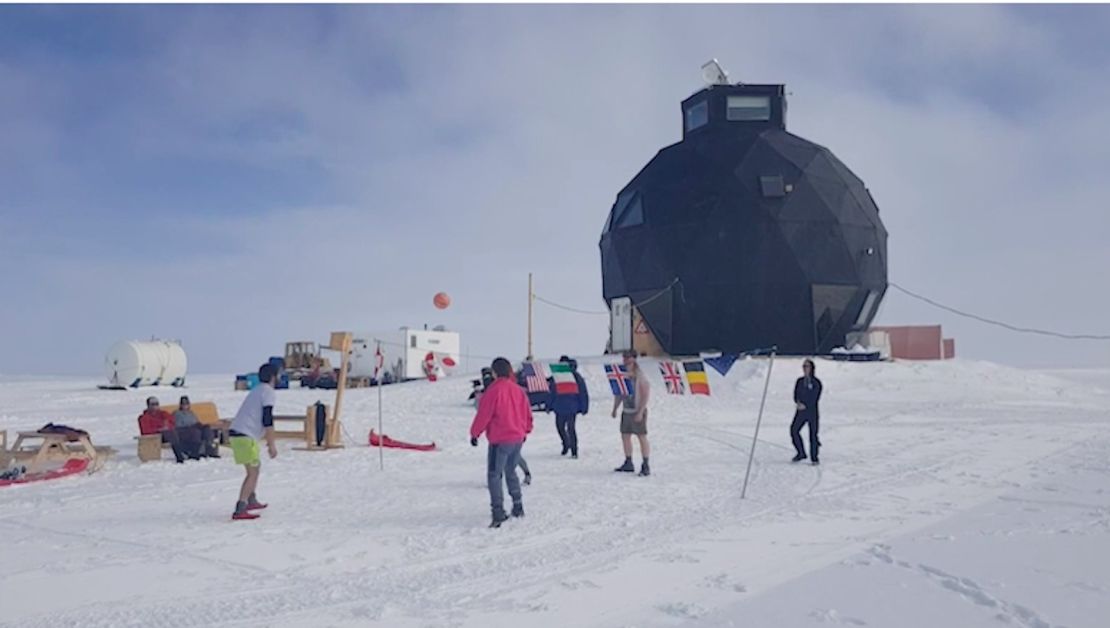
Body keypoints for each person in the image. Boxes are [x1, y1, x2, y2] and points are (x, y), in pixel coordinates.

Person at [470, 357, 534, 528]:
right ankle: (518, 505)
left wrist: (475, 433)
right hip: (517, 438)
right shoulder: (519, 390)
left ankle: (498, 512)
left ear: (495, 372)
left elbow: (484, 414)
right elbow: (527, 413)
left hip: (500, 440)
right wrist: (525, 430)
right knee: (511, 471)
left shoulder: (493, 390)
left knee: (494, 475)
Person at [227, 363, 279, 521]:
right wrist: (271, 444)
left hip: (240, 434)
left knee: (255, 468)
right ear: (273, 377)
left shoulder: (257, 390)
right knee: (253, 472)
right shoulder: (268, 392)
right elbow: (267, 418)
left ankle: (251, 499)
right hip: (244, 436)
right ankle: (241, 507)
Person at [611, 351, 651, 476]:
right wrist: (615, 408)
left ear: (634, 359)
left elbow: (645, 394)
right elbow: (619, 393)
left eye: (628, 358)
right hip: (626, 410)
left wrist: (640, 411)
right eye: (624, 358)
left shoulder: (640, 376)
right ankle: (628, 461)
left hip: (637, 410)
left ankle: (645, 464)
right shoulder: (622, 375)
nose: (625, 360)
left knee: (641, 436)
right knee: (625, 436)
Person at [547, 355, 589, 458]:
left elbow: (583, 392)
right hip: (559, 406)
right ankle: (566, 444)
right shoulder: (556, 377)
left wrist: (584, 407)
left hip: (571, 407)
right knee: (560, 427)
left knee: (571, 429)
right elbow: (551, 392)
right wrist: (548, 405)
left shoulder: (576, 377)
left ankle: (574, 450)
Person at [790, 359, 823, 465]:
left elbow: (815, 398)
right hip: (801, 411)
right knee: (794, 430)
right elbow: (795, 394)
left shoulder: (816, 383)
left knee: (813, 435)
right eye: (803, 366)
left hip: (812, 412)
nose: (805, 368)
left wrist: (806, 405)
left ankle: (814, 457)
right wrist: (798, 402)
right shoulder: (799, 381)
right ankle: (801, 452)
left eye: (807, 366)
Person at [137, 396, 188, 463]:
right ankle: (180, 456)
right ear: (148, 406)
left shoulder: (163, 413)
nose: (155, 406)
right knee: (171, 433)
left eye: (156, 404)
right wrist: (159, 429)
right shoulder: (144, 417)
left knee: (179, 432)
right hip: (154, 437)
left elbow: (172, 422)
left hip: (167, 434)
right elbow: (145, 431)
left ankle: (187, 452)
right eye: (152, 404)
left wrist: (166, 425)